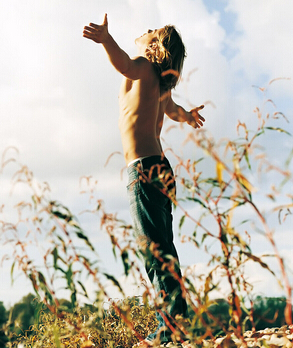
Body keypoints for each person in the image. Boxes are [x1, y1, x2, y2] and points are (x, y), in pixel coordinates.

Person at [83, 14, 205, 347]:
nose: (145, 30)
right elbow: (173, 110)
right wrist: (188, 116)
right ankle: (177, 319)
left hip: (145, 170)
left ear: (154, 46)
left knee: (154, 249)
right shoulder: (160, 85)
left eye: (151, 31)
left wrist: (106, 40)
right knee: (163, 246)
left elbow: (122, 64)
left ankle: (172, 324)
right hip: (160, 169)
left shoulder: (143, 68)